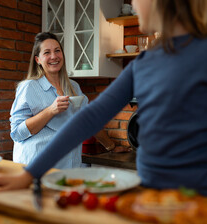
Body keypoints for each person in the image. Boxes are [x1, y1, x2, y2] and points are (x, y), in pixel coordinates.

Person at [0, 0, 207, 203]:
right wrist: (29, 173)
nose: (134, 1)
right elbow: (88, 120)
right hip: (153, 197)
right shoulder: (145, 62)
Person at [10, 32, 127, 168]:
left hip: (68, 166)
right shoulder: (29, 87)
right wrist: (50, 111)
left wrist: (111, 146)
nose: (54, 56)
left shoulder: (74, 87)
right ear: (38, 60)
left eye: (57, 51)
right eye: (47, 52)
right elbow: (17, 133)